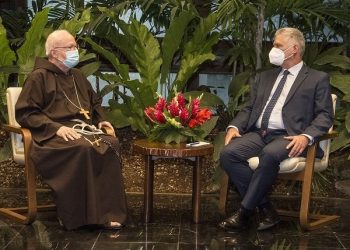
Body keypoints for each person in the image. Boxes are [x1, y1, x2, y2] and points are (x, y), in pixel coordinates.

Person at [219, 27, 333, 231]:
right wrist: (234, 127)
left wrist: (306, 136)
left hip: (291, 136)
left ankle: (244, 213)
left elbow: (325, 115)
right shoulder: (265, 77)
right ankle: (265, 208)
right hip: (260, 133)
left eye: (278, 45)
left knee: (269, 154)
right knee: (228, 153)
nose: (273, 49)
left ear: (295, 49)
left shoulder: (317, 78)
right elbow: (250, 108)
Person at [15, 30, 127, 230]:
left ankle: (108, 213)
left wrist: (102, 120)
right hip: (49, 136)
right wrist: (56, 128)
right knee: (82, 148)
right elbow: (26, 113)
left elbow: (94, 103)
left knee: (111, 144)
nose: (76, 51)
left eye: (76, 46)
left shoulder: (77, 76)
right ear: (55, 52)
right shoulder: (38, 77)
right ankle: (76, 216)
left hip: (82, 130)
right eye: (71, 47)